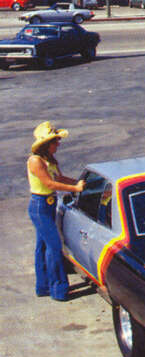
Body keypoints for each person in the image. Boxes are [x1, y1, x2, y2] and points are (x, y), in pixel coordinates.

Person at [27, 121, 84, 301]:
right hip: (40, 206)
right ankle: (59, 290)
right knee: (54, 246)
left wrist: (77, 182)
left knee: (42, 246)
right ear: (46, 144)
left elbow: (59, 177)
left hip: (49, 203)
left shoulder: (49, 160)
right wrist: (76, 189)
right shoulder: (35, 161)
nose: (58, 144)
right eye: (56, 141)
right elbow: (49, 183)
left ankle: (43, 287)